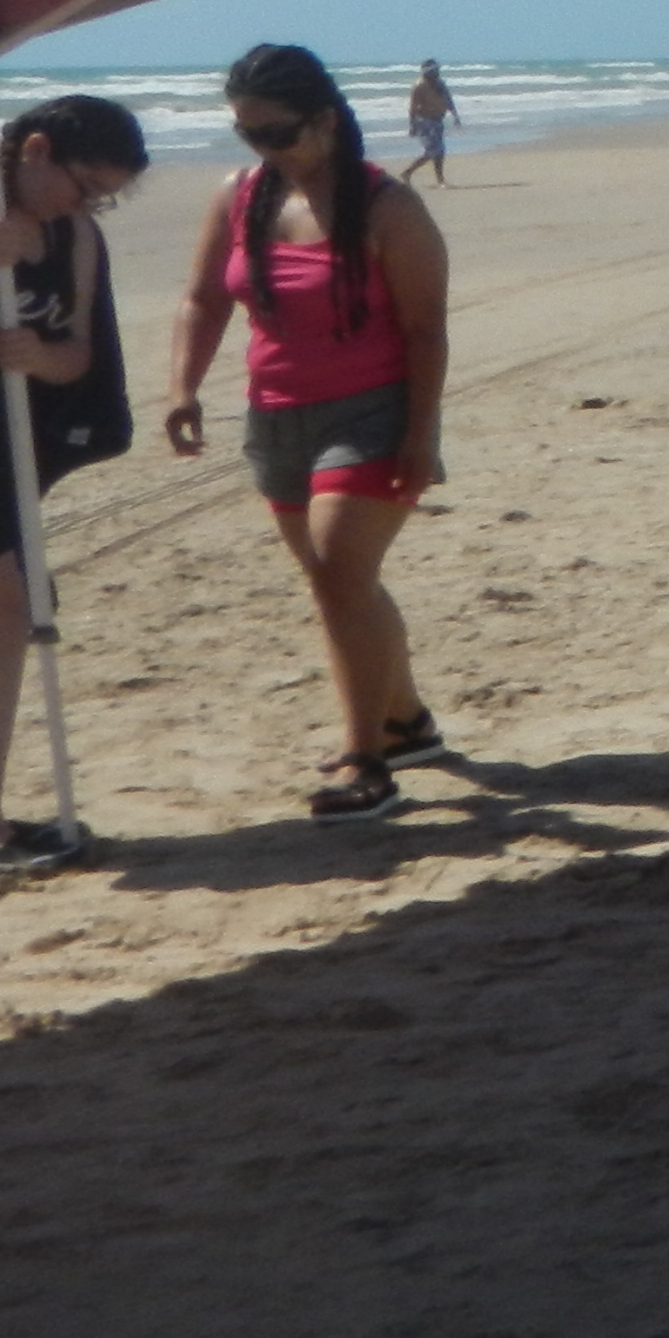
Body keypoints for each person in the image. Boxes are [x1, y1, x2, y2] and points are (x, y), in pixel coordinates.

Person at [165, 44, 452, 824]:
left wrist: (420, 438)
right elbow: (203, 299)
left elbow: (426, 332)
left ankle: (368, 760)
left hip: (374, 412)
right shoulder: (240, 196)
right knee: (342, 581)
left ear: (325, 119)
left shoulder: (389, 207)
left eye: (276, 133)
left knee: (335, 571)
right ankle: (408, 722)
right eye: (246, 134)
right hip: (276, 416)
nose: (261, 149)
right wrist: (183, 388)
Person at [0, 95, 149, 871]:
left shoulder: (73, 237)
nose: (90, 205)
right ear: (36, 150)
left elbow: (79, 355)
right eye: (85, 186)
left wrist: (42, 359)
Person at [402, 59, 456, 187]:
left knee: (440, 152)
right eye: (434, 70)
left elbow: (448, 99)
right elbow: (413, 107)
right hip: (425, 121)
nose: (437, 72)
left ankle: (440, 179)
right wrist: (412, 125)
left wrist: (455, 115)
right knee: (433, 151)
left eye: (437, 70)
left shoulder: (440, 84)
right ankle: (408, 172)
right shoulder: (419, 86)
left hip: (438, 120)